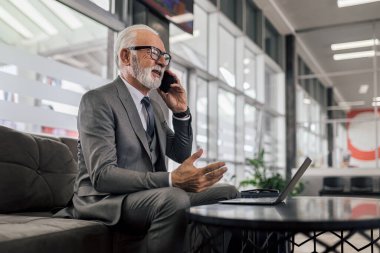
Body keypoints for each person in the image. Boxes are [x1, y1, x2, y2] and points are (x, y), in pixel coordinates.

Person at [56, 24, 239, 253]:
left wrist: (181, 112)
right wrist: (172, 179)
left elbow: (180, 153)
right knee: (173, 199)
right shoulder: (98, 100)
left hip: (149, 196)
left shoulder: (155, 105)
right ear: (125, 56)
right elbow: (103, 176)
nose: (162, 62)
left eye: (164, 56)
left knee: (228, 194)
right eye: (153, 53)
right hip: (105, 200)